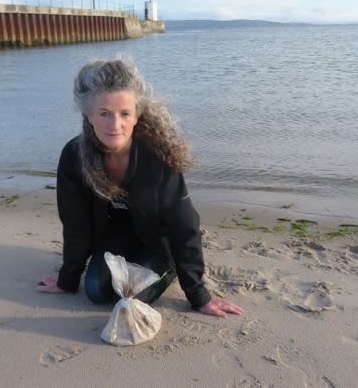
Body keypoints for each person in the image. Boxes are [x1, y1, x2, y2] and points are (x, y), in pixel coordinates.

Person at [37, 58, 243, 317]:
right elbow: (75, 222)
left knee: (132, 297)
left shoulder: (158, 157)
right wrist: (67, 280)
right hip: (114, 239)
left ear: (136, 116)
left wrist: (198, 296)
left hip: (159, 242)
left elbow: (184, 224)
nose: (115, 126)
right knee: (96, 292)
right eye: (104, 113)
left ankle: (167, 269)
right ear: (89, 116)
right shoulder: (73, 156)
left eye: (124, 114)